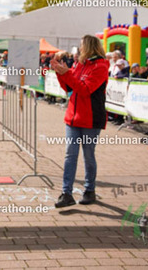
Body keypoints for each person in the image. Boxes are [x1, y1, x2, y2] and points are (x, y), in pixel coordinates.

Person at [51, 34, 109, 208]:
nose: (79, 48)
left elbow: (84, 89)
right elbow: (69, 87)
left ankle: (90, 190)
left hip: (91, 118)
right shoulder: (80, 64)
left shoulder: (100, 66)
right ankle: (66, 193)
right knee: (70, 155)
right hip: (73, 117)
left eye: (82, 45)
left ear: (89, 47)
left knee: (88, 155)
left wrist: (66, 73)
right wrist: (60, 73)